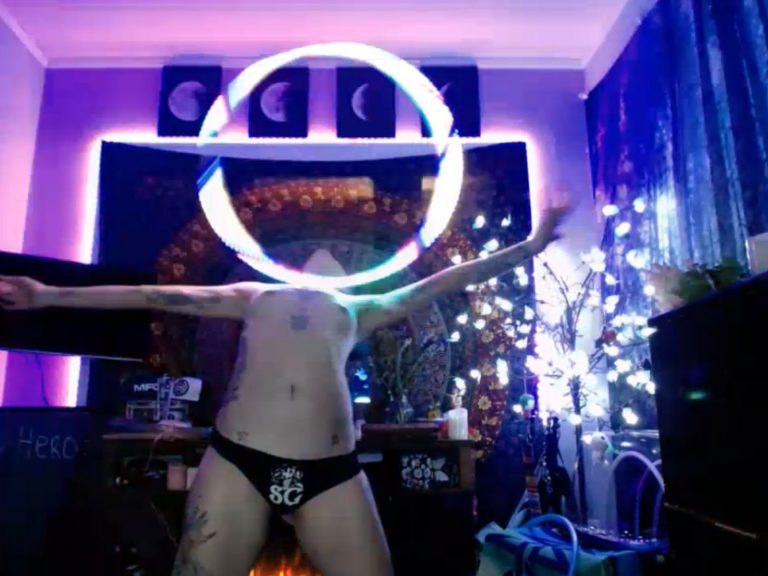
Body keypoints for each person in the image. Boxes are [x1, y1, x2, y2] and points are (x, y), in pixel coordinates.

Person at [0, 205, 567, 576]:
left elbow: (451, 280)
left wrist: (531, 244)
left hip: (331, 472)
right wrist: (48, 295)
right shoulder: (255, 295)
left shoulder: (360, 308)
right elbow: (150, 295)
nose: (326, 258)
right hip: (238, 462)